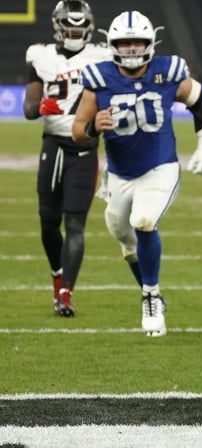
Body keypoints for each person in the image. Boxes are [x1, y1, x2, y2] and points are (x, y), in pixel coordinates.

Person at [72, 10, 202, 337]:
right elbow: (77, 130)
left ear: (151, 43)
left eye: (139, 42)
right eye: (126, 43)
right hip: (120, 173)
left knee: (144, 221)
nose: (133, 49)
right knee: (124, 237)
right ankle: (152, 290)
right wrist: (94, 126)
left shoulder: (170, 71)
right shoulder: (100, 77)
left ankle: (150, 297)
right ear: (113, 44)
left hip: (160, 166)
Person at [23, 0, 110, 317]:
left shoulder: (103, 56)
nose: (74, 31)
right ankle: (57, 275)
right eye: (69, 25)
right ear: (58, 26)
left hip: (85, 147)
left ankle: (65, 294)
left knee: (75, 224)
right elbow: (29, 107)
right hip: (53, 145)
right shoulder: (41, 56)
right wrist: (39, 108)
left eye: (79, 25)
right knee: (48, 223)